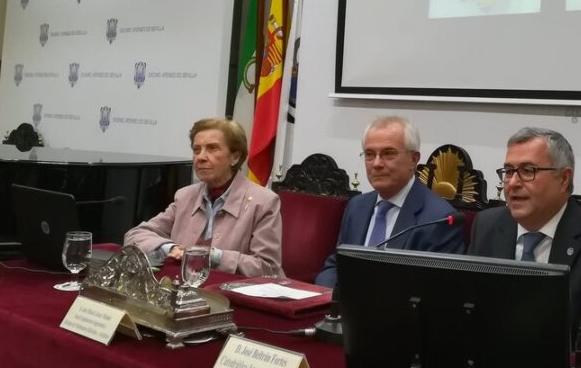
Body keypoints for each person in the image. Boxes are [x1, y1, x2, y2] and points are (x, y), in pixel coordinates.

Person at [468, 127, 581, 361]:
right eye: (509, 171)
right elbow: (468, 313)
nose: (512, 183)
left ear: (564, 178)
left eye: (527, 171)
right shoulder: (487, 226)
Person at [315, 116, 464, 287]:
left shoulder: (439, 219)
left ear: (413, 160)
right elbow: (336, 266)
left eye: (388, 153)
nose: (377, 163)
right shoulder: (357, 206)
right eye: (370, 155)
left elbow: (436, 290)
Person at [124, 118, 283, 277]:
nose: (201, 157)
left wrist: (214, 257)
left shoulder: (264, 202)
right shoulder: (185, 196)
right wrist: (170, 248)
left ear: (235, 157)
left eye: (212, 148)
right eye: (196, 150)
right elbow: (136, 235)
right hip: (187, 289)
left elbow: (268, 269)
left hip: (233, 296)